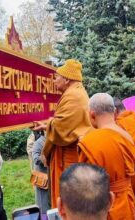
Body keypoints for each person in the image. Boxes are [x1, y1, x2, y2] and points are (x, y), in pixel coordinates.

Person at [31, 59, 92, 208]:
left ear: (66, 79)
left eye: (57, 77)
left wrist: (45, 150)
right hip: (70, 155)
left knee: (69, 198)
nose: (54, 80)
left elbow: (61, 127)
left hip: (69, 157)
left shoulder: (73, 96)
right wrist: (47, 125)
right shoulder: (76, 92)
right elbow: (65, 122)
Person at [78, 93, 135, 220]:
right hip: (127, 202)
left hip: (103, 206)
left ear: (92, 114)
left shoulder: (90, 142)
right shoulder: (127, 136)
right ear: (115, 112)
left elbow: (85, 183)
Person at [31, 134, 50, 214]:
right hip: (43, 179)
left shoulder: (54, 141)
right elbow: (35, 159)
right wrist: (47, 158)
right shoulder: (39, 142)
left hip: (53, 177)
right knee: (44, 204)